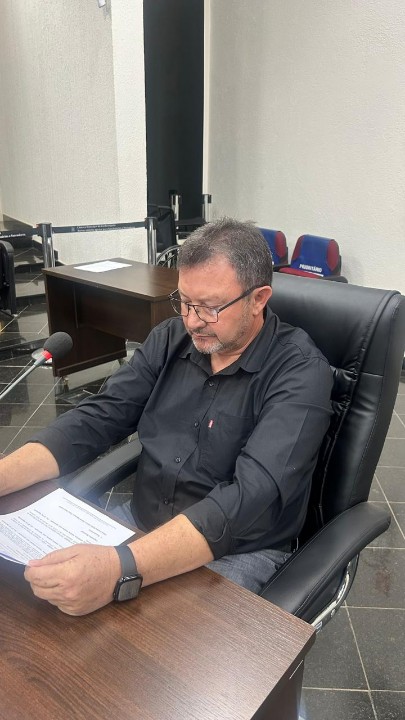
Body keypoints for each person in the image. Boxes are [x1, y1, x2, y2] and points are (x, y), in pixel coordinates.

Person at [0, 218, 333, 615]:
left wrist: (120, 568)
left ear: (258, 299)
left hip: (235, 549)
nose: (191, 321)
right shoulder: (170, 339)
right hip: (142, 522)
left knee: (141, 647)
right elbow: (99, 417)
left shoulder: (300, 372)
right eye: (184, 302)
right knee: (33, 602)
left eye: (209, 307)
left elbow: (250, 497)